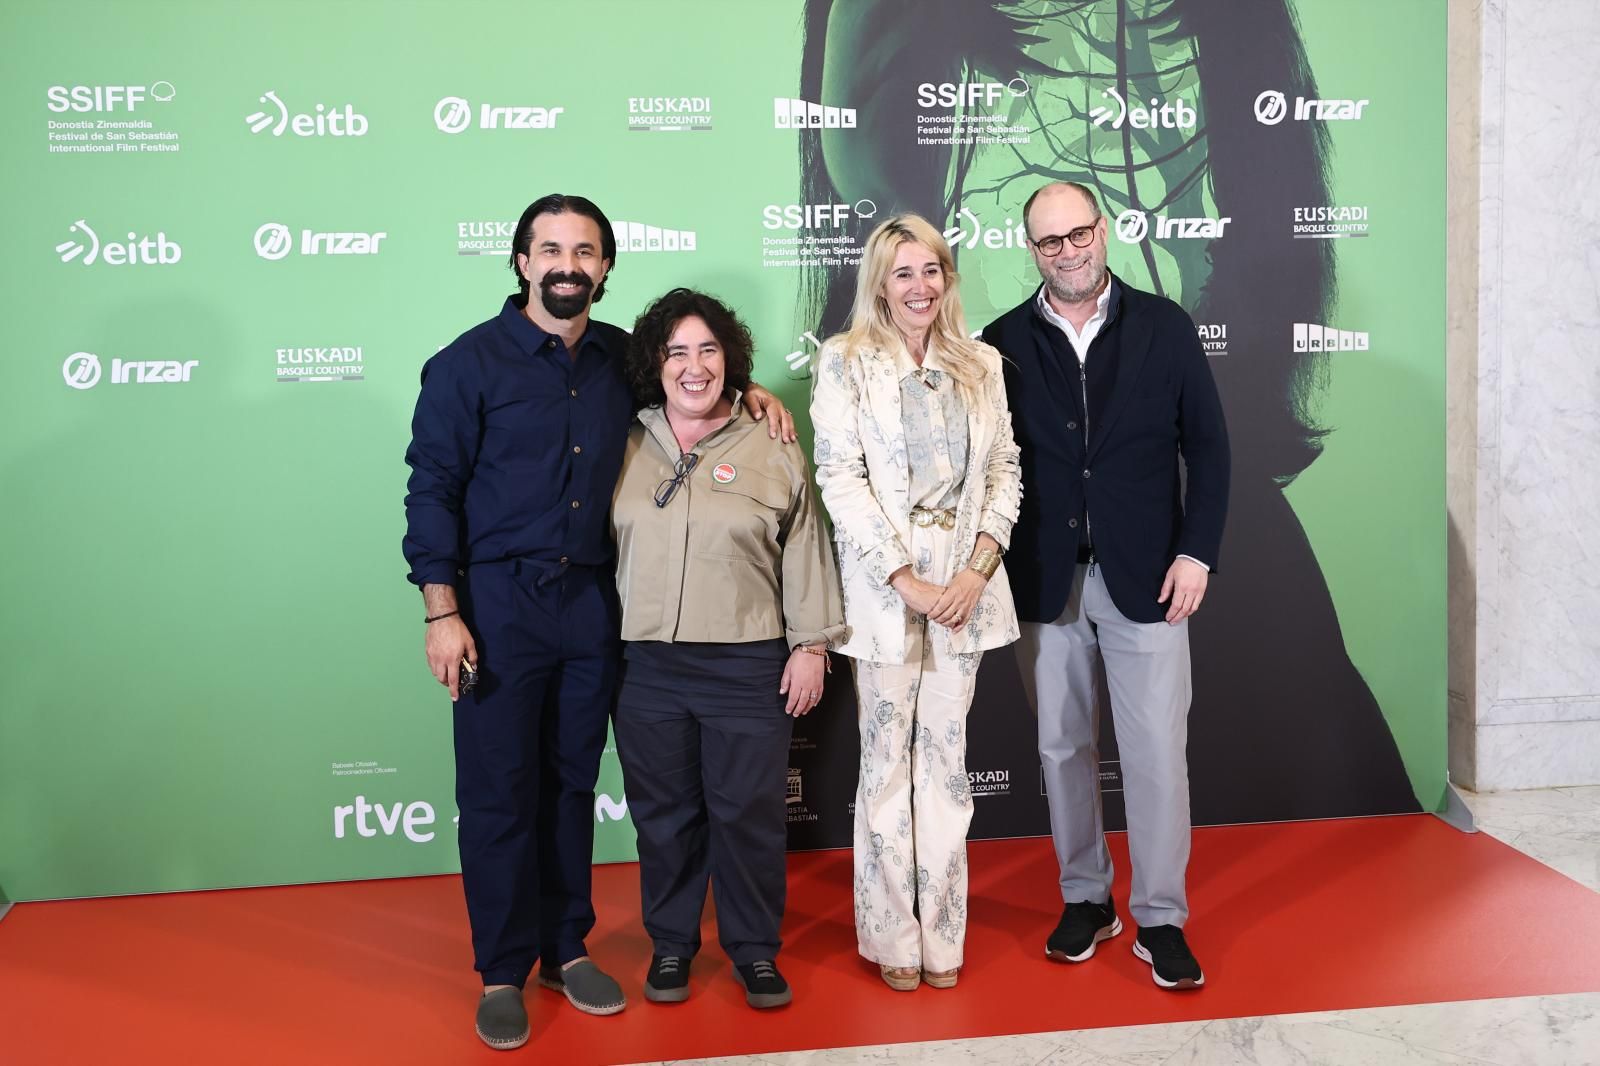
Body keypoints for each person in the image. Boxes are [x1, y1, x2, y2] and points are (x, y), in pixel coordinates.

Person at [402, 195, 794, 1051]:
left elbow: (695, 378)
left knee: (572, 783)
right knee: (500, 792)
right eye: (549, 249)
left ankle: (565, 949)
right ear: (520, 263)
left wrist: (754, 389)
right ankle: (503, 969)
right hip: (497, 607)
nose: (566, 264)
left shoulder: (622, 359)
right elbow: (429, 491)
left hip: (592, 606)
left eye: (584, 250)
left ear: (607, 266)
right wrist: (443, 612)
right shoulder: (465, 366)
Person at [980, 181, 1230, 990]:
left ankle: (1160, 917)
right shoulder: (1001, 341)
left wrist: (1196, 553)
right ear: (1032, 251)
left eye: (1079, 234)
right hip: (1046, 584)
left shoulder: (1164, 326)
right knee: (1061, 748)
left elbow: (1213, 450)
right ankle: (1087, 898)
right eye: (1050, 242)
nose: (1068, 252)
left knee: (1157, 753)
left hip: (1150, 577)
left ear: (1105, 232)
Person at [610, 288, 846, 1010]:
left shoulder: (769, 438)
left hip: (746, 663)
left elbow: (806, 541)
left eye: (708, 349)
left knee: (747, 815)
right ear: (655, 362)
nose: (693, 366)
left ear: (731, 361)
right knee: (665, 817)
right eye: (676, 351)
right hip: (644, 664)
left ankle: (753, 951)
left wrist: (811, 644)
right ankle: (673, 945)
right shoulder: (621, 435)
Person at [810, 213, 1022, 992]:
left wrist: (975, 569)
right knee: (885, 768)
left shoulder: (984, 365)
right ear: (879, 283)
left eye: (931, 269)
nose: (919, 286)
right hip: (883, 591)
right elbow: (841, 480)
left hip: (966, 590)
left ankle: (945, 933)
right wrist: (908, 580)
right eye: (903, 272)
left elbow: (1005, 469)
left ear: (947, 279)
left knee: (946, 767)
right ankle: (892, 933)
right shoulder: (845, 363)